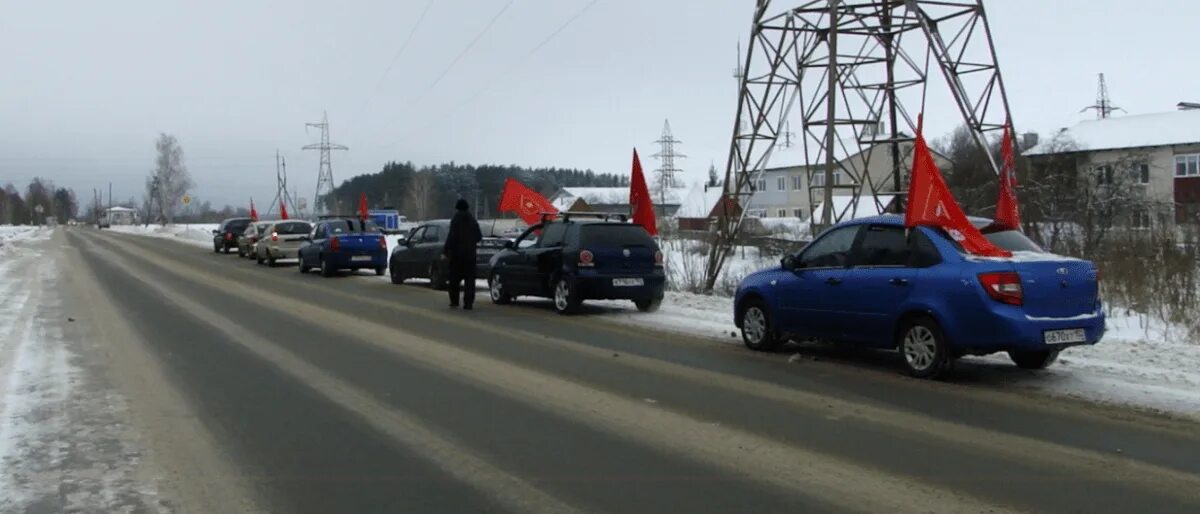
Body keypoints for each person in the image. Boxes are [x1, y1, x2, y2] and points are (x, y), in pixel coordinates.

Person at [443, 198, 482, 309]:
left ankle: (454, 301)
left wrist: (446, 250)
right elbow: (479, 236)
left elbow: (451, 237)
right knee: (470, 280)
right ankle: (468, 303)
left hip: (457, 255)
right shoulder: (473, 220)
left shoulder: (456, 220)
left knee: (454, 279)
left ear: (457, 208)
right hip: (470, 255)